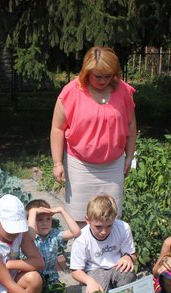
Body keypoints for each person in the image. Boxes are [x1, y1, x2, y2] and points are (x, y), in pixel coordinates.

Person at [50, 46, 137, 226]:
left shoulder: (123, 91)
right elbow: (57, 129)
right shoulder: (71, 92)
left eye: (108, 76)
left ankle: (109, 252)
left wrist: (129, 156)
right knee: (80, 215)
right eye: (98, 76)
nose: (103, 81)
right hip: (80, 165)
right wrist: (58, 163)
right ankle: (83, 252)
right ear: (87, 71)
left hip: (113, 165)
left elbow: (130, 125)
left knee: (110, 216)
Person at [70, 195, 137, 293]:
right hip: (93, 270)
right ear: (87, 220)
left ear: (115, 218)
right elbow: (75, 271)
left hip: (116, 267)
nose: (103, 231)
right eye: (98, 227)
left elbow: (133, 255)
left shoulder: (123, 227)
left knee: (127, 277)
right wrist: (89, 281)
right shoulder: (81, 239)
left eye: (109, 226)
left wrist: (128, 257)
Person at [25, 199, 81, 293]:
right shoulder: (28, 237)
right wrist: (33, 212)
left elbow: (75, 232)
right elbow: (30, 236)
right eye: (39, 220)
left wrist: (61, 210)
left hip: (52, 280)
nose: (45, 223)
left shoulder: (54, 234)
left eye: (48, 219)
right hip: (34, 280)